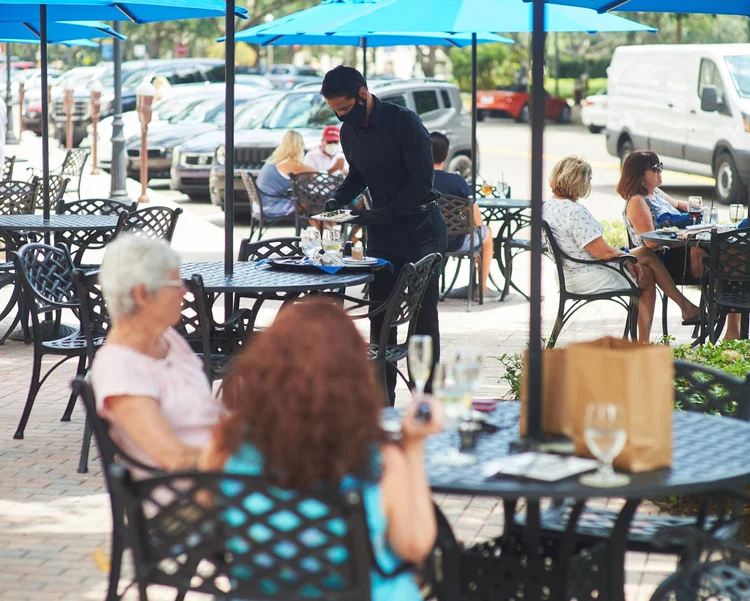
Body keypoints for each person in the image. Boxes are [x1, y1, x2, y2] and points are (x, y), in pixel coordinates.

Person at [200, 300, 443, 601]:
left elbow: (209, 520)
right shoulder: (379, 461)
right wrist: (413, 446)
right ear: (354, 374)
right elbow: (414, 545)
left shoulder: (225, 446)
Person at [321, 66, 447, 404]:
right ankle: (382, 404)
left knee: (422, 320)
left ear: (363, 94)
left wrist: (379, 214)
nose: (340, 116)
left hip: (422, 231)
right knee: (382, 316)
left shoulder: (404, 122)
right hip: (383, 233)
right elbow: (357, 176)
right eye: (335, 110)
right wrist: (338, 199)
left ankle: (426, 402)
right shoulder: (349, 132)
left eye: (345, 108)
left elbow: (422, 184)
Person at [90, 234, 221, 470]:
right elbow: (174, 456)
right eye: (176, 285)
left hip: (225, 483)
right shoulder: (121, 367)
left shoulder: (168, 339)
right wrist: (243, 461)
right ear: (143, 295)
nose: (184, 292)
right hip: (188, 496)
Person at [543, 156, 700, 343]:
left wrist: (625, 256)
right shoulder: (575, 212)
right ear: (579, 181)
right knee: (646, 274)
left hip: (569, 272)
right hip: (588, 274)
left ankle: (683, 310)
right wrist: (625, 257)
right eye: (589, 179)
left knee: (644, 254)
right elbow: (603, 252)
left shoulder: (548, 206)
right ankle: (647, 339)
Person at [619, 151, 740, 339]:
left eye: (660, 165)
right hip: (665, 260)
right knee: (729, 260)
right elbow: (650, 242)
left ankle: (733, 330)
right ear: (639, 174)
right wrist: (683, 233)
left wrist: (700, 210)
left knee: (734, 256)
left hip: (683, 251)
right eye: (654, 168)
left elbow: (680, 204)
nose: (660, 170)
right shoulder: (637, 201)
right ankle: (730, 330)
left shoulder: (655, 193)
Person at [431, 131, 494, 297]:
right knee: (487, 233)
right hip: (454, 242)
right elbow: (478, 221)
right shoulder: (457, 182)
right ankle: (482, 288)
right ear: (446, 155)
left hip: (422, 241)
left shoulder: (418, 180)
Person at [255, 130, 315, 217]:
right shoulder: (289, 163)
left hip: (259, 205)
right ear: (299, 146)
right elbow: (316, 173)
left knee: (306, 200)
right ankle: (324, 227)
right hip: (270, 206)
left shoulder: (274, 160)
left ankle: (322, 227)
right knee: (311, 201)